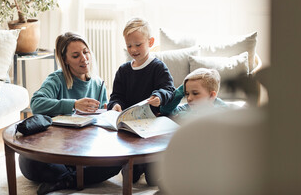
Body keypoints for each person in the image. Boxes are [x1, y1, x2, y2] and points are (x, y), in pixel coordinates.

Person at [18, 32, 121, 195]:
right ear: (65, 60)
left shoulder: (98, 83)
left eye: (85, 52)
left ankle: (66, 180)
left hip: (83, 151)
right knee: (30, 163)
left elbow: (101, 123)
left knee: (117, 162)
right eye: (75, 55)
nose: (84, 58)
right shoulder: (56, 79)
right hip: (54, 151)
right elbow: (36, 103)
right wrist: (73, 105)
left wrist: (110, 111)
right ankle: (74, 178)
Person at [107, 17, 175, 186]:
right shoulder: (123, 71)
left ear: (150, 42)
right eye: (129, 45)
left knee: (153, 180)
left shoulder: (158, 67)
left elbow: (169, 89)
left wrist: (159, 96)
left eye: (138, 44)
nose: (133, 49)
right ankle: (138, 165)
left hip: (152, 126)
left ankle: (153, 166)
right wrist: (115, 105)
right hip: (130, 128)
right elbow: (116, 96)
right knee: (131, 177)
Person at [160, 68, 227, 118]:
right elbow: (166, 110)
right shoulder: (190, 106)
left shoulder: (221, 110)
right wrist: (182, 90)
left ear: (211, 96)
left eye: (195, 93)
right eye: (187, 93)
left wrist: (180, 115)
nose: (189, 98)